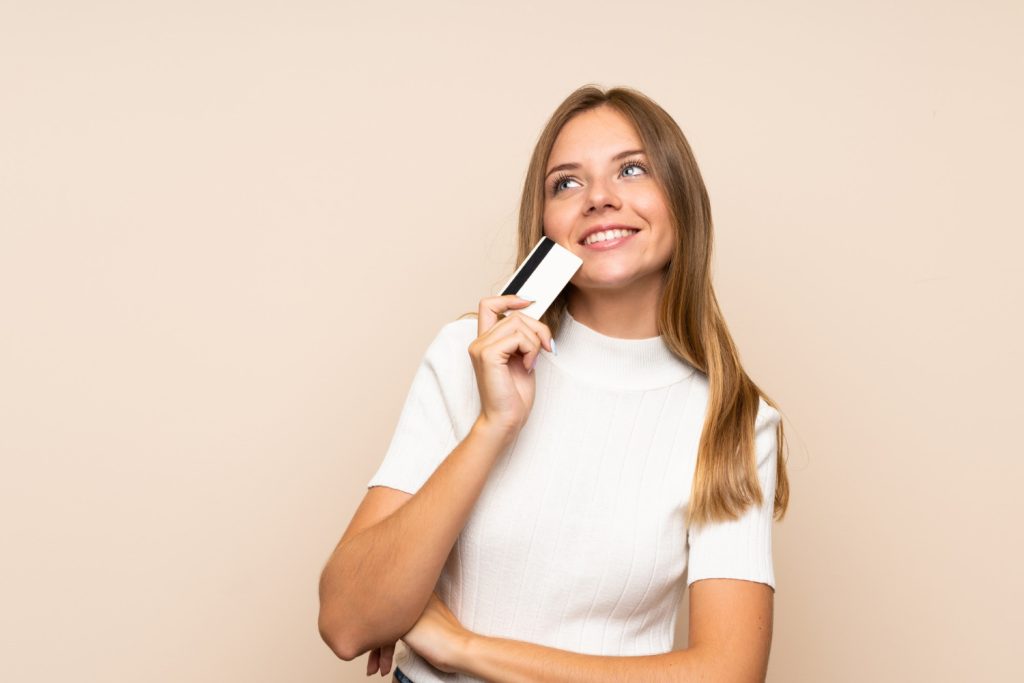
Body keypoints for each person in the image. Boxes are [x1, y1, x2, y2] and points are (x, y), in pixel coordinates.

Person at [318, 84, 791, 682]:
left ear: (681, 200)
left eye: (632, 169)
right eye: (567, 182)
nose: (599, 197)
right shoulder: (470, 357)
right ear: (545, 224)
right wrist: (494, 425)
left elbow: (728, 674)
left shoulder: (733, 420)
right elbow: (347, 622)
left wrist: (462, 648)